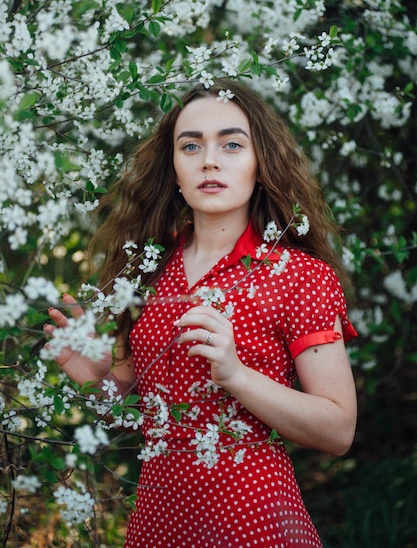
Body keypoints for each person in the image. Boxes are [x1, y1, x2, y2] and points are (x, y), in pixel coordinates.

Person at [46, 78, 358, 548]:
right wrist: (99, 379)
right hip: (157, 521)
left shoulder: (298, 275)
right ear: (173, 168)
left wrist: (236, 374)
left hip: (251, 520)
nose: (209, 160)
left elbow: (338, 429)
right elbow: (149, 411)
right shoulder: (149, 269)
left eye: (232, 144)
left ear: (260, 162)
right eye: (190, 146)